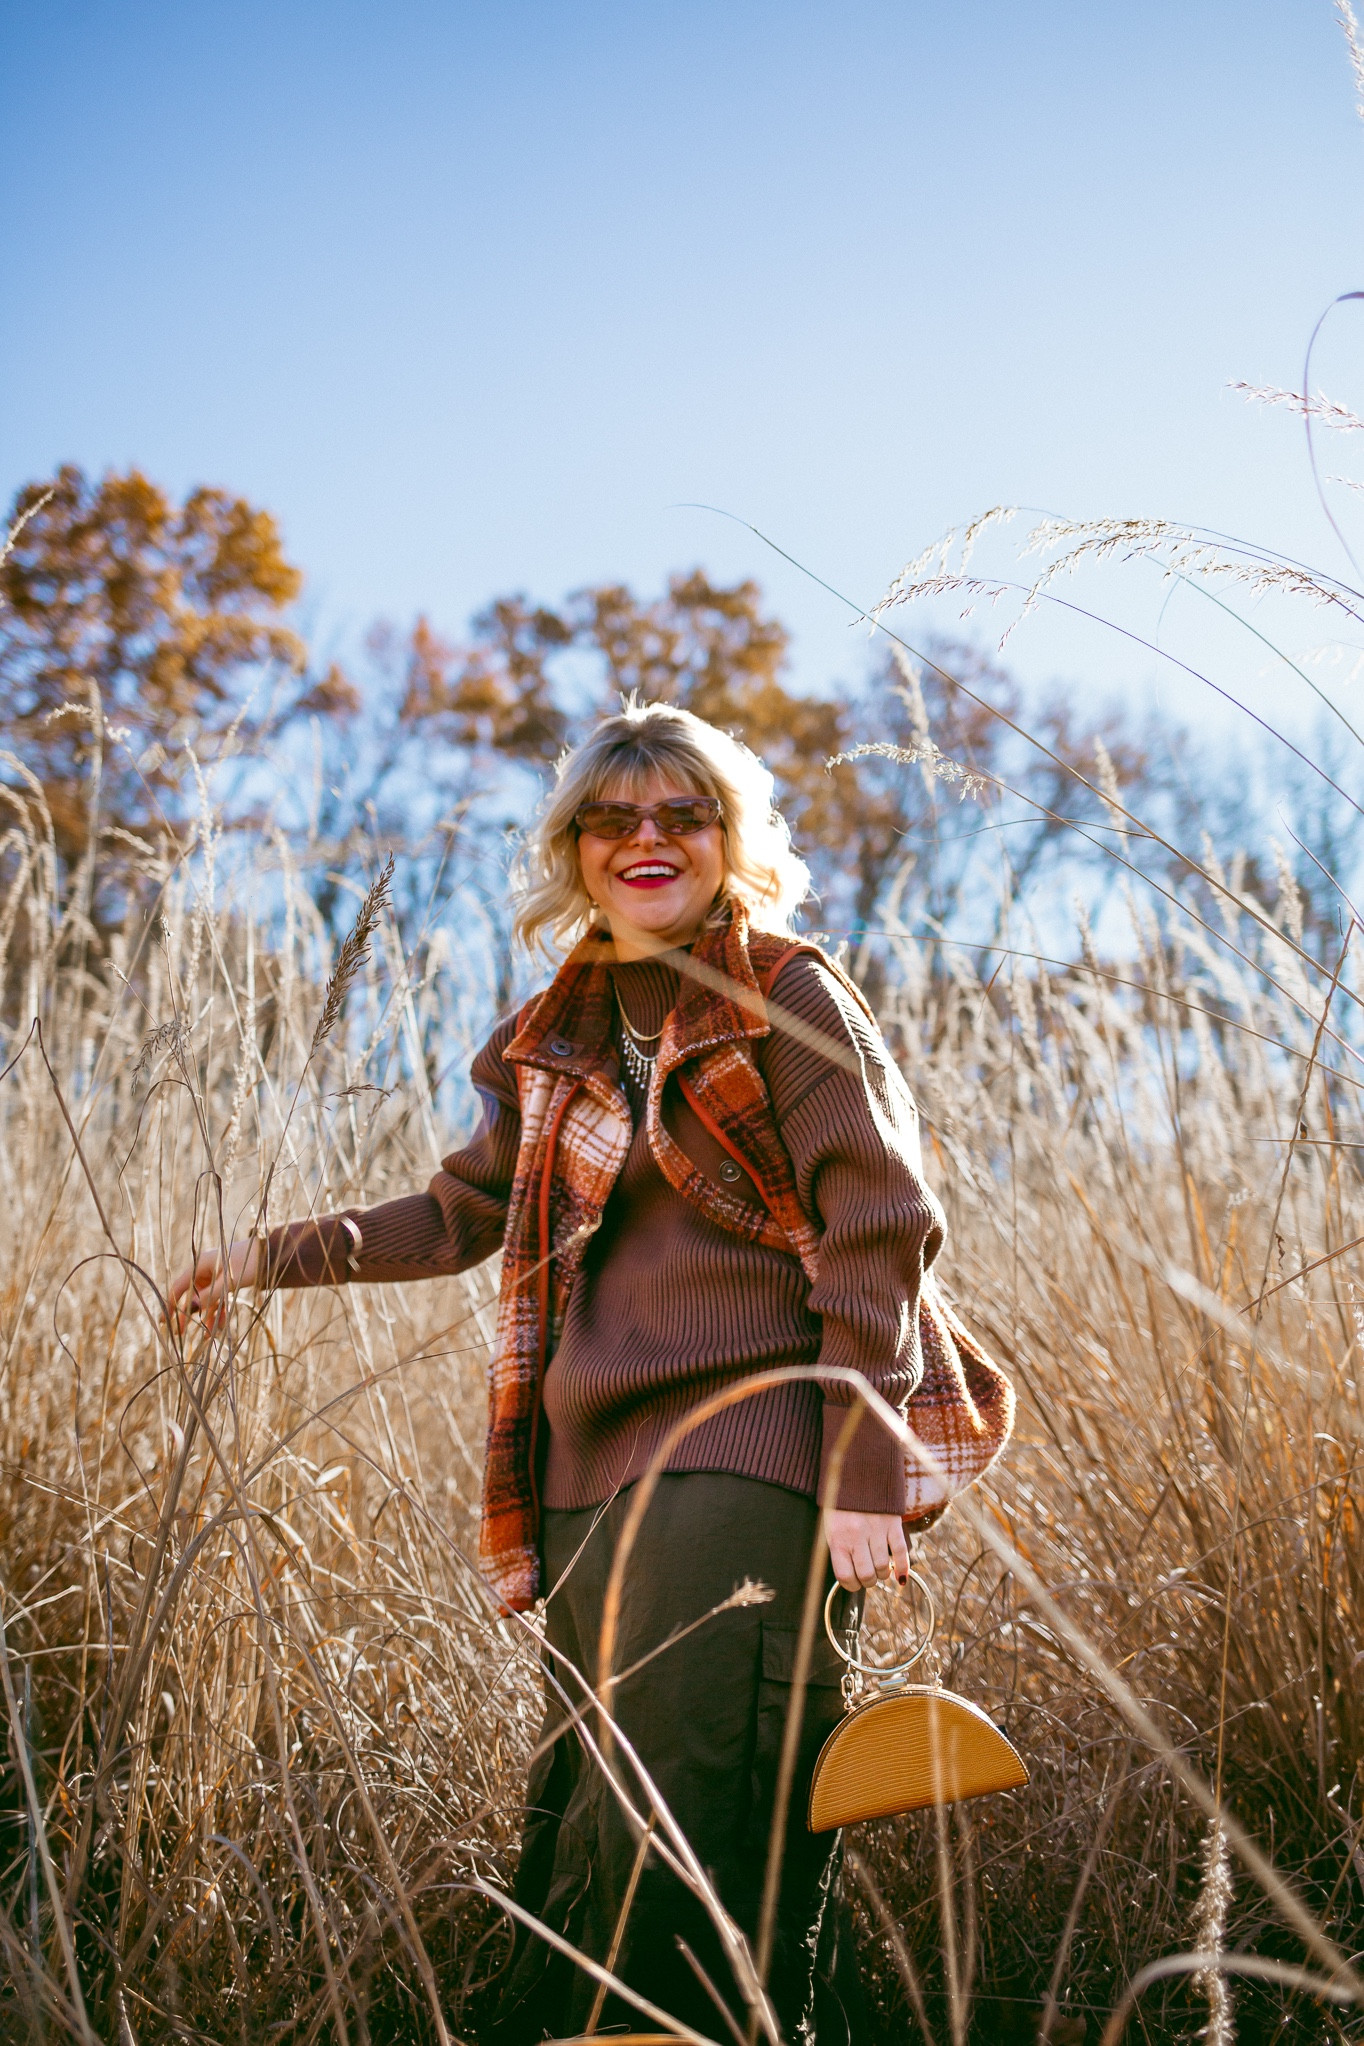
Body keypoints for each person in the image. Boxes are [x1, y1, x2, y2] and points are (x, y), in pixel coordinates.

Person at [169, 701, 1013, 2043]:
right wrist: (261, 1253)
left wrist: (861, 1463)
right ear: (573, 849)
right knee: (597, 1813)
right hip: (587, 1481)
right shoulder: (547, 1031)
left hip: (753, 1450)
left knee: (701, 1803)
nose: (648, 838)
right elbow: (457, 1215)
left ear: (730, 838)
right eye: (612, 817)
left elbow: (880, 1222)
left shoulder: (782, 988)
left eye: (686, 812)